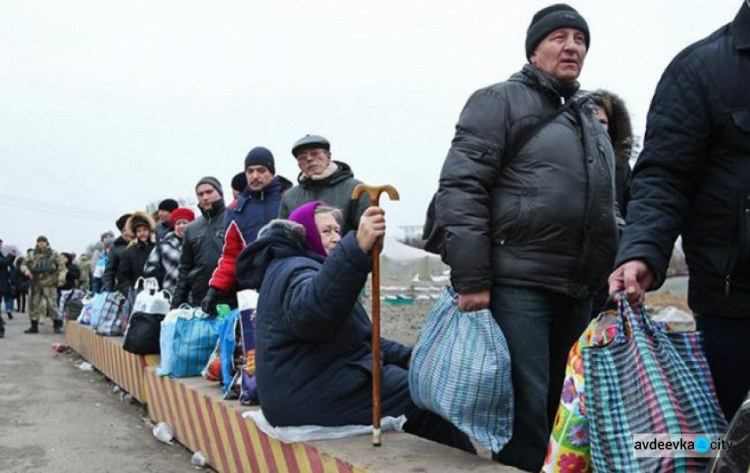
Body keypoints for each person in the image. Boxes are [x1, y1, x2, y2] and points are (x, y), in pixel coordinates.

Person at [432, 5, 618, 470]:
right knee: (524, 410)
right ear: (534, 50)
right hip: (518, 284)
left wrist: (610, 278)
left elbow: (608, 205)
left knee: (567, 409)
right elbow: (462, 186)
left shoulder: (588, 120)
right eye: (558, 37)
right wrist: (472, 277)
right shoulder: (498, 101)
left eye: (579, 39)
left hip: (576, 288)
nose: (571, 46)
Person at [235, 201, 475, 453]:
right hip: (311, 394)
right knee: (424, 394)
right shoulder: (297, 269)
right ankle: (466, 464)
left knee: (416, 384)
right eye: (326, 231)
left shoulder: (302, 268)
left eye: (338, 231)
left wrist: (409, 356)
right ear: (304, 234)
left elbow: (355, 338)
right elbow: (312, 316)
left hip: (310, 383)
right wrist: (354, 250)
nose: (336, 238)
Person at [609, 0, 750, 422]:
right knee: (727, 444)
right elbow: (665, 176)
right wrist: (641, 252)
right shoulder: (702, 69)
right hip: (736, 305)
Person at [201, 147, 289, 314]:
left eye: (261, 170)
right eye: (250, 171)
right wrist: (216, 288)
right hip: (254, 290)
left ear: (272, 172)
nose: (255, 176)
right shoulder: (235, 210)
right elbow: (231, 256)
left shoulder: (290, 199)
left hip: (289, 283)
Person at [588, 89, 635, 316]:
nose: (597, 126)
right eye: (592, 120)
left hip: (611, 268)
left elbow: (633, 213)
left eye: (603, 122)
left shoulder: (623, 170)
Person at [279, 134, 369, 235]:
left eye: (315, 153)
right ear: (299, 165)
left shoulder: (356, 189)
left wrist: (343, 250)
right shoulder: (289, 197)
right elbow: (282, 237)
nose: (309, 159)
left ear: (328, 157)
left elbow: (369, 233)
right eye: (302, 157)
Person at [172, 177, 227, 308]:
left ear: (219, 193)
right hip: (200, 298)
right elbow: (185, 267)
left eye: (209, 192)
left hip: (230, 297)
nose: (205, 197)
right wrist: (177, 302)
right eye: (200, 194)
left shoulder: (233, 219)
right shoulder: (192, 228)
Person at [144, 207, 194, 296]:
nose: (181, 226)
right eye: (178, 223)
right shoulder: (163, 245)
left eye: (185, 223)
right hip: (169, 292)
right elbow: (149, 268)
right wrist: (163, 277)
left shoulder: (198, 243)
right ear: (174, 226)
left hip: (194, 292)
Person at [21, 236, 67, 334]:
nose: (41, 243)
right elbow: (23, 264)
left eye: (43, 241)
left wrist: (61, 279)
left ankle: (57, 324)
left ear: (47, 243)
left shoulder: (54, 254)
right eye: (39, 241)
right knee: (33, 304)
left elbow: (62, 268)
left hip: (49, 282)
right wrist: (26, 271)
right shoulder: (32, 254)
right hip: (35, 283)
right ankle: (34, 325)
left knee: (52, 304)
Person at [116, 212, 156, 295]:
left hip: (157, 293)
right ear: (135, 233)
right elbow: (123, 277)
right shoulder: (128, 252)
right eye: (139, 231)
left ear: (149, 230)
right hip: (137, 294)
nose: (142, 233)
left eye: (145, 230)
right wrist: (131, 293)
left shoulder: (158, 248)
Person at [102, 214, 132, 292]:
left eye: (127, 230)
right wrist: (108, 291)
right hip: (123, 289)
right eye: (123, 231)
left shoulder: (142, 244)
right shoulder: (116, 248)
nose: (125, 233)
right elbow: (109, 272)